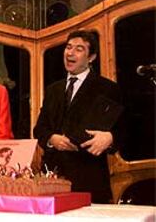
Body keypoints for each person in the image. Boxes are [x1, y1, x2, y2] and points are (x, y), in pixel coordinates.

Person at [33, 30, 125, 203]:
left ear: (91, 57)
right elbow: (39, 129)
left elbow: (126, 129)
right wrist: (52, 139)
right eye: (68, 47)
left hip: (89, 178)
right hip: (52, 179)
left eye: (79, 49)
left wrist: (110, 138)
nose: (70, 53)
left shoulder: (107, 88)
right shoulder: (53, 89)